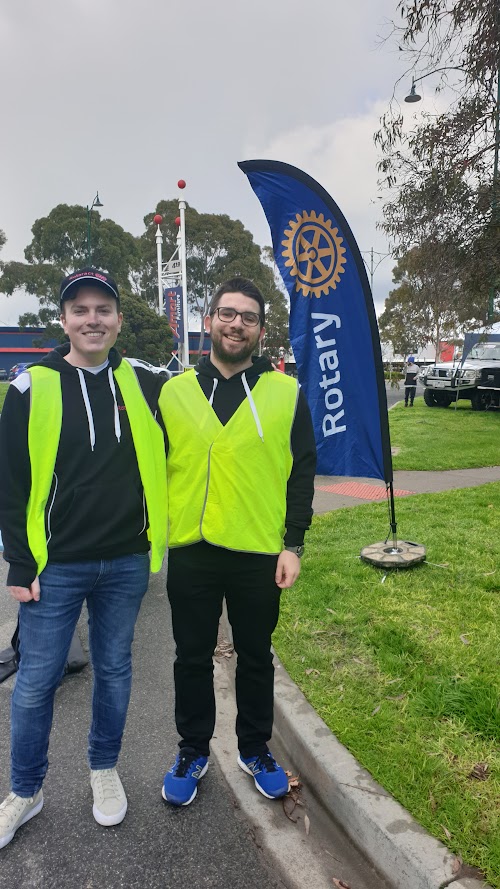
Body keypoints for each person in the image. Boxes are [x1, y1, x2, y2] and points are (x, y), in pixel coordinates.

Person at [0, 268, 168, 849]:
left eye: (103, 309)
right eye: (81, 310)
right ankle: (26, 791)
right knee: (35, 682)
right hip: (56, 566)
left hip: (126, 561)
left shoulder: (146, 383)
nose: (92, 319)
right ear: (64, 320)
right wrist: (19, 564)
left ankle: (104, 769)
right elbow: (11, 483)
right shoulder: (31, 387)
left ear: (118, 320)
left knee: (114, 670)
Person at [159, 277, 316, 807]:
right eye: (227, 313)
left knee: (255, 656)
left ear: (261, 330)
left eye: (248, 317)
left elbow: (302, 471)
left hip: (258, 552)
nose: (236, 324)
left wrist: (294, 543)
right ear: (209, 321)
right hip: (192, 549)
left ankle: (254, 748)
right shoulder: (174, 393)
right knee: (191, 656)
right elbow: (152, 469)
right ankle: (192, 749)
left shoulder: (286, 393)